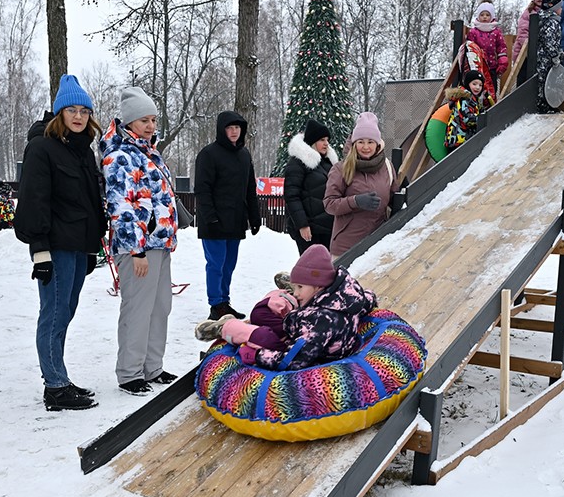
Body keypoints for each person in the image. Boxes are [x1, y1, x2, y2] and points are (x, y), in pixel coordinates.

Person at [15, 75, 106, 411]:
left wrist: (95, 244)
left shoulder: (84, 152)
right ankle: (54, 386)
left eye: (84, 110)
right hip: (54, 246)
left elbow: (89, 201)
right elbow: (32, 201)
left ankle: (60, 376)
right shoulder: (42, 148)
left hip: (80, 247)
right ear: (59, 114)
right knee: (53, 314)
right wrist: (39, 250)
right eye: (71, 110)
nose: (79, 116)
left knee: (65, 313)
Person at [100, 86, 180, 396]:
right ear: (129, 122)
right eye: (144, 120)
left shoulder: (148, 152)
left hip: (159, 245)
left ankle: (152, 367)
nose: (150, 126)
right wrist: (136, 250)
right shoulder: (120, 155)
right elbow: (121, 205)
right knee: (138, 308)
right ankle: (130, 372)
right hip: (139, 249)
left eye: (153, 120)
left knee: (160, 307)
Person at [196, 244, 377, 371]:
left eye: (300, 287)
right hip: (301, 318)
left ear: (319, 286)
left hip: (291, 338)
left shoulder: (323, 324)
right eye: (296, 286)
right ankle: (286, 295)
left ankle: (226, 327)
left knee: (260, 324)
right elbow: (367, 299)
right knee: (267, 310)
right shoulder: (351, 298)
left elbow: (292, 361)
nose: (299, 291)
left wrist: (256, 355)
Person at [194, 110, 261, 320]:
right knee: (216, 264)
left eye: (237, 128)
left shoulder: (244, 155)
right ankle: (216, 304)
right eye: (230, 128)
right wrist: (209, 217)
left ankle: (225, 301)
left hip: (235, 220)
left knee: (229, 264)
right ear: (222, 130)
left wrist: (255, 216)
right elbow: (202, 189)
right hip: (213, 221)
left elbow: (250, 188)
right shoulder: (209, 154)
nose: (234, 132)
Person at [323, 111, 397, 258]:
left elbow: (394, 199)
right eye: (361, 142)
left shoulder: (387, 167)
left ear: (377, 144)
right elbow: (329, 204)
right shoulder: (341, 168)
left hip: (378, 245)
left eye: (370, 142)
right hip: (346, 247)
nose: (365, 147)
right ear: (354, 143)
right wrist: (356, 201)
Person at [283, 118, 339, 254]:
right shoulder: (298, 164)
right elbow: (292, 196)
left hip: (328, 228)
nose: (326, 144)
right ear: (312, 142)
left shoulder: (328, 164)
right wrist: (302, 224)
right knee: (312, 270)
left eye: (327, 140)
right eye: (322, 140)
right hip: (310, 229)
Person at [425, 71, 489, 162]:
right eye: (474, 84)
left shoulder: (474, 100)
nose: (477, 87)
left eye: (480, 85)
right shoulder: (464, 99)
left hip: (462, 140)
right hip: (458, 140)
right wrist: (483, 119)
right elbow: (466, 118)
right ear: (468, 84)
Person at [465, 0, 508, 98]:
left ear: (491, 17)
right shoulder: (473, 32)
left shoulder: (496, 32)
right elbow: (470, 46)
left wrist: (502, 60)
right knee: (477, 87)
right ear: (478, 17)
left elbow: (501, 47)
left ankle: (491, 107)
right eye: (482, 15)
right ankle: (476, 106)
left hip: (491, 66)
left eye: (487, 15)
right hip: (477, 66)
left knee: (492, 88)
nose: (484, 17)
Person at [512, 0, 552, 85]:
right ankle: (521, 98)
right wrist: (532, 46)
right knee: (524, 78)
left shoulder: (551, 14)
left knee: (539, 80)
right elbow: (523, 31)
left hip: (542, 53)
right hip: (525, 52)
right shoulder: (529, 12)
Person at [535, 0, 564, 114]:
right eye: (560, 7)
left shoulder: (542, 20)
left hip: (541, 57)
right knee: (547, 81)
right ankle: (545, 106)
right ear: (555, 8)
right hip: (546, 59)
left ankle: (545, 105)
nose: (561, 10)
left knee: (543, 81)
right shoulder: (552, 22)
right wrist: (555, 55)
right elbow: (550, 40)